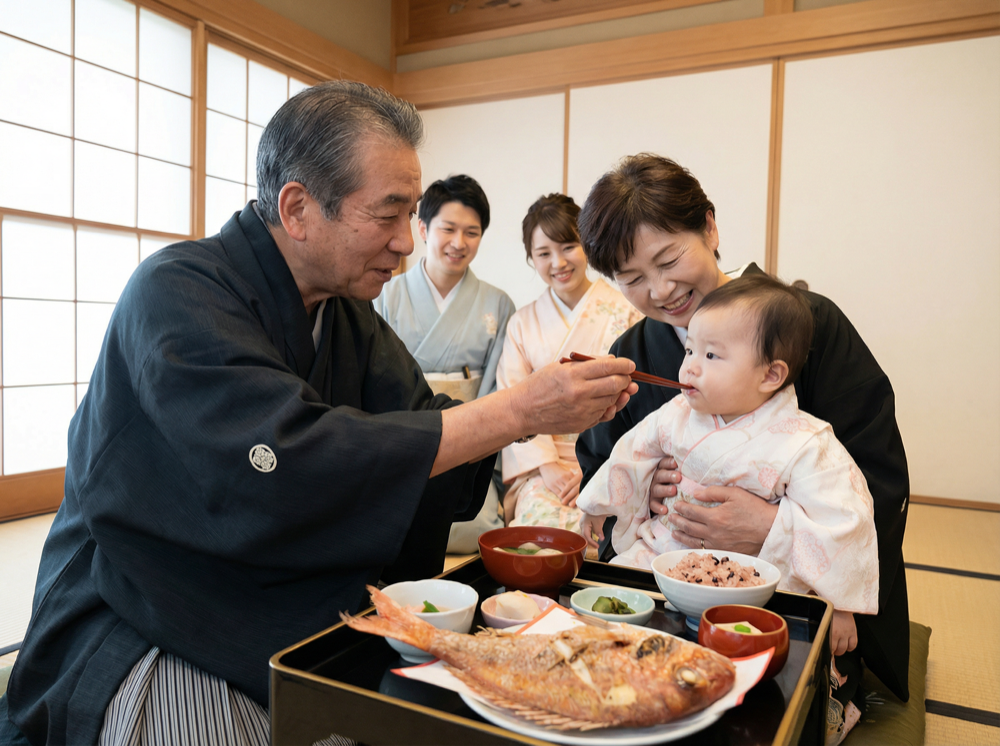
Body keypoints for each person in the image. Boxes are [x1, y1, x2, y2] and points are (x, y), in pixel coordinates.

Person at [0, 81, 637, 746]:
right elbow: (285, 459)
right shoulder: (175, 292)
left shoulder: (347, 316)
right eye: (388, 215)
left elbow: (424, 431)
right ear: (298, 208)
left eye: (410, 216)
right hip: (149, 604)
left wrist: (530, 414)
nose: (406, 244)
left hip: (290, 598)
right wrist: (513, 411)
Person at [575, 153, 910, 743]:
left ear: (709, 228)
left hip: (790, 591)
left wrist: (772, 526)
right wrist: (643, 491)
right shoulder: (635, 348)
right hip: (667, 580)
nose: (660, 289)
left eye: (669, 258)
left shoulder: (809, 324)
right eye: (630, 278)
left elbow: (875, 478)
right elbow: (601, 459)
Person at [578, 274, 879, 664]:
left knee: (765, 656)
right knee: (607, 609)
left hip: (750, 580)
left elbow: (842, 521)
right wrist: (598, 505)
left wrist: (839, 605)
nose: (690, 369)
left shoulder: (805, 441)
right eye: (689, 351)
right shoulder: (677, 414)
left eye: (711, 356)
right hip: (662, 555)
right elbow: (629, 454)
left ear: (771, 375)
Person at [375, 175, 515, 553]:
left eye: (472, 232)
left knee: (477, 529)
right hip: (405, 439)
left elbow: (498, 390)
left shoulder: (498, 304)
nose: (459, 243)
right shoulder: (385, 295)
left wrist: (476, 440)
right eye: (448, 229)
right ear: (422, 228)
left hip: (471, 442)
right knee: (389, 526)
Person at [497, 194, 642, 536]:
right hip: (545, 467)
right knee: (539, 530)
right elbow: (512, 398)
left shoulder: (626, 311)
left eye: (568, 247)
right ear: (531, 259)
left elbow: (641, 403)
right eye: (543, 253)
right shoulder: (522, 323)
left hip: (613, 460)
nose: (558, 262)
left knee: (619, 532)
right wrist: (546, 465)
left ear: (587, 245)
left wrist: (597, 466)